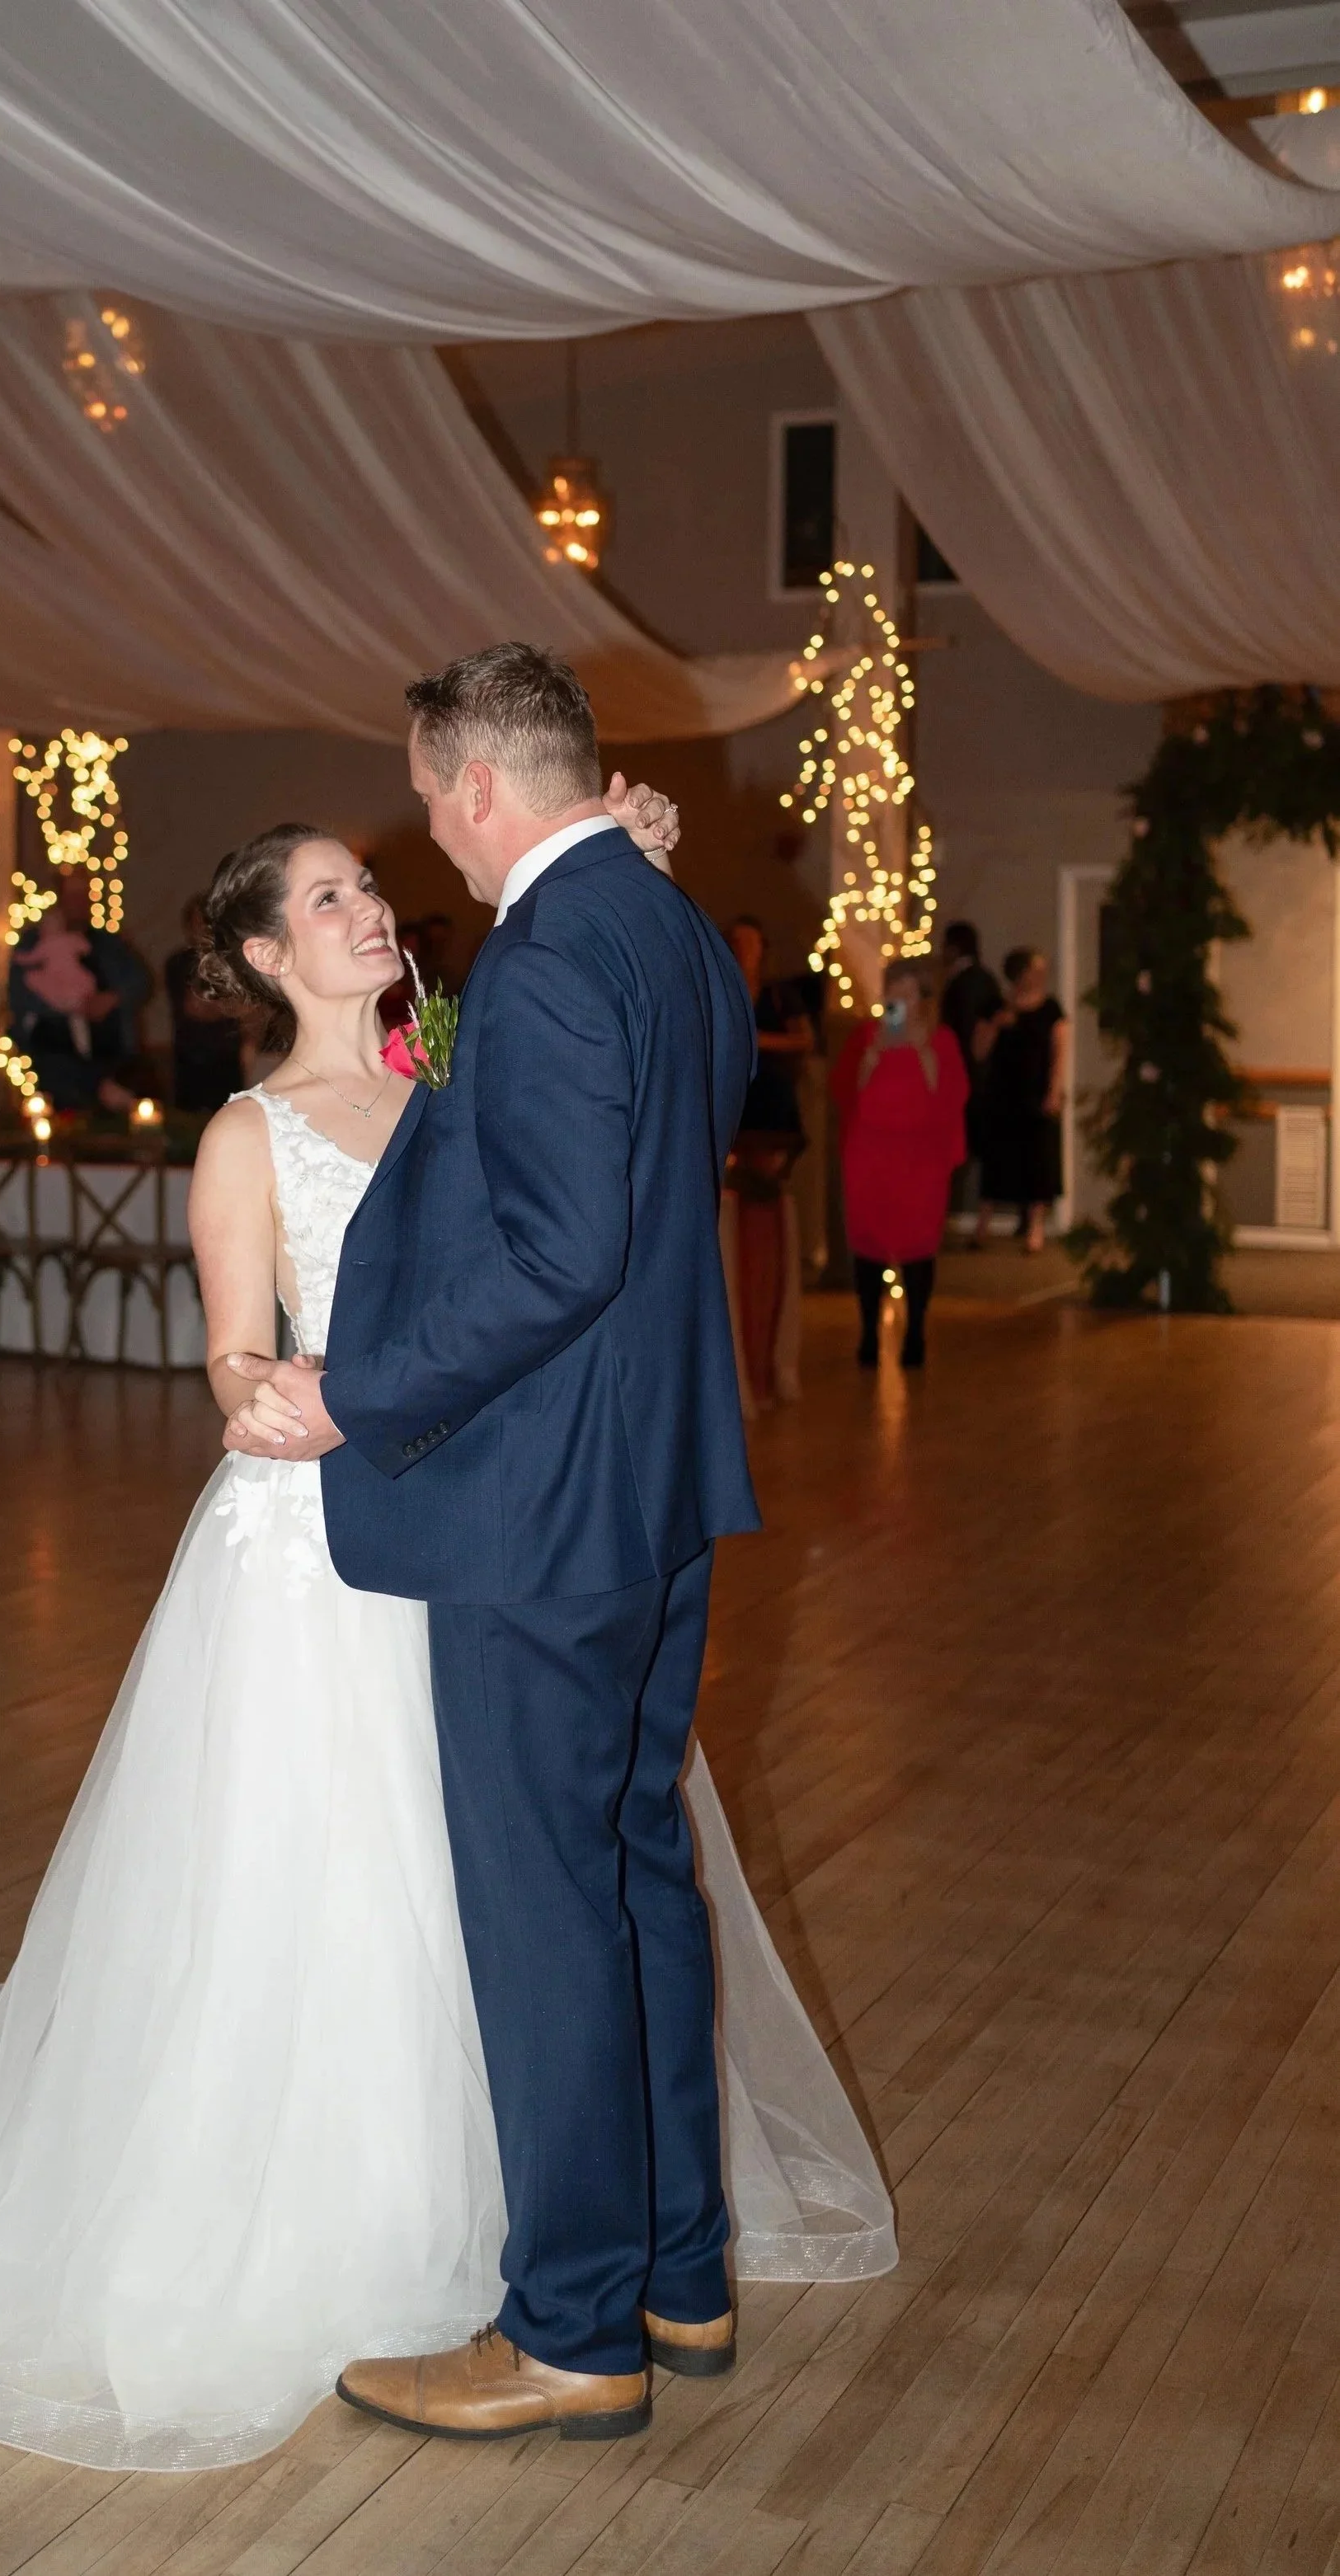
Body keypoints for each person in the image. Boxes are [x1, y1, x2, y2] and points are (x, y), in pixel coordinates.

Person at [0, 762, 892, 2467]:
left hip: (499, 1537)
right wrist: (275, 1387)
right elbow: (234, 1354)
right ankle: (372, 2233)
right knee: (335, 1884)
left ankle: (541, 2240)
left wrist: (625, 878)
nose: (368, 907)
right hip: (321, 1551)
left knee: (513, 1895)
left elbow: (607, 1139)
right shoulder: (247, 1132)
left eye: (367, 884)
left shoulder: (445, 1061)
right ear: (260, 955)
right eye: (322, 898)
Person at [230, 646, 890, 2441]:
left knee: (542, 1910)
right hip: (652, 1484)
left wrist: (359, 1389)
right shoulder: (672, 929)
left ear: (467, 789)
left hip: (541, 1506)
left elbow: (553, 1252)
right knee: (630, 1872)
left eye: (426, 800)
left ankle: (567, 2327)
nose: (426, 836)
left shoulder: (546, 952)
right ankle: (676, 2273)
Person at [832, 961, 970, 1369]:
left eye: (909, 994)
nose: (901, 1002)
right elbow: (844, 1092)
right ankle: (868, 1334)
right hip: (871, 1154)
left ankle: (916, 1333)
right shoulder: (865, 1037)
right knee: (869, 1243)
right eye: (895, 992)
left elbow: (951, 1095)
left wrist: (922, 1048)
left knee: (918, 1244)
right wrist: (873, 1056)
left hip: (920, 1158)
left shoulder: (942, 1041)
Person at [721, 915, 811, 1413]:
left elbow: (805, 1041)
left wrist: (759, 1041)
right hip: (735, 1121)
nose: (743, 950)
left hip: (775, 1122)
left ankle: (772, 1364)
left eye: (750, 943)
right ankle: (745, 1366)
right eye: (737, 942)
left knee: (772, 1222)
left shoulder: (779, 997)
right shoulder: (722, 985)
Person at [5, 873, 149, 1116]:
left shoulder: (108, 943)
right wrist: (71, 1006)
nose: (79, 903)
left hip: (109, 1054)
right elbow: (20, 996)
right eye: (72, 896)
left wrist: (111, 999)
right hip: (56, 1057)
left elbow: (140, 982)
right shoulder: (34, 943)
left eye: (84, 896)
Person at [976, 947, 1070, 1253]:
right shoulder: (996, 1006)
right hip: (1002, 1094)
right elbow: (978, 1051)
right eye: (1034, 970)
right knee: (995, 1159)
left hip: (1036, 1093)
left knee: (1038, 1161)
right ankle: (983, 1225)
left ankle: (1036, 1228)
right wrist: (996, 1025)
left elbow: (1060, 1052)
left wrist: (1054, 1091)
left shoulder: (1051, 1009)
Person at [938, 922, 1004, 1228]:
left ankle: (944, 1215)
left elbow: (962, 1032)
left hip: (964, 1077)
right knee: (981, 1150)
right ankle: (980, 1220)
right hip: (984, 1079)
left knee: (958, 1149)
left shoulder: (961, 984)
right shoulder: (986, 981)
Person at [162, 893, 245, 1113]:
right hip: (190, 1062)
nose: (204, 931)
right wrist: (227, 1007)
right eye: (199, 924)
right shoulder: (179, 963)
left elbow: (245, 1007)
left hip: (227, 1060)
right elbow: (194, 1008)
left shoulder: (231, 962)